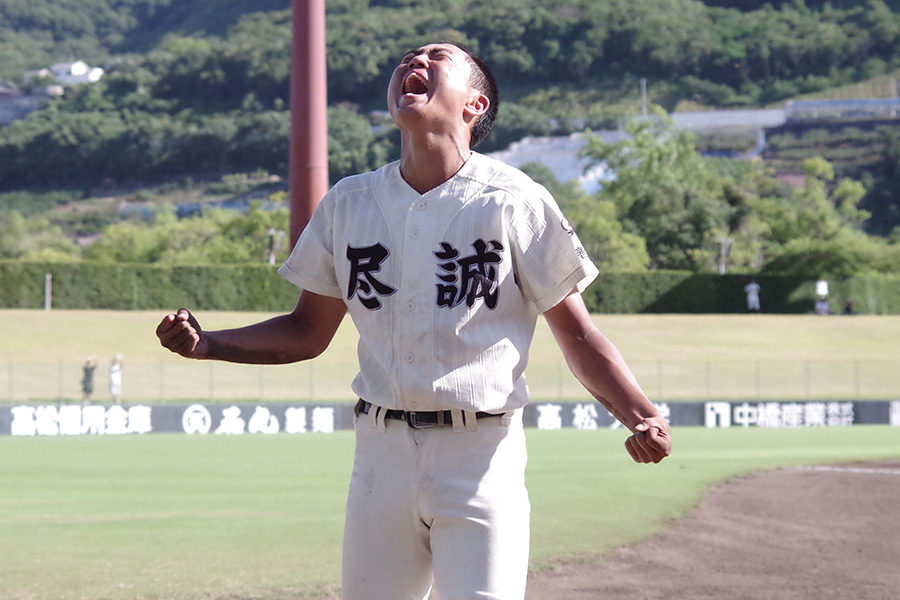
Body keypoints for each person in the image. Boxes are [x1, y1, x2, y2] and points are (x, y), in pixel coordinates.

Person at [156, 42, 671, 600]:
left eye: (436, 58)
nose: (413, 64)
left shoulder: (514, 200)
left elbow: (580, 335)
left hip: (481, 456)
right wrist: (208, 344)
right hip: (380, 456)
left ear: (475, 106)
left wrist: (641, 415)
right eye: (407, 59)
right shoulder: (348, 202)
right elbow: (308, 331)